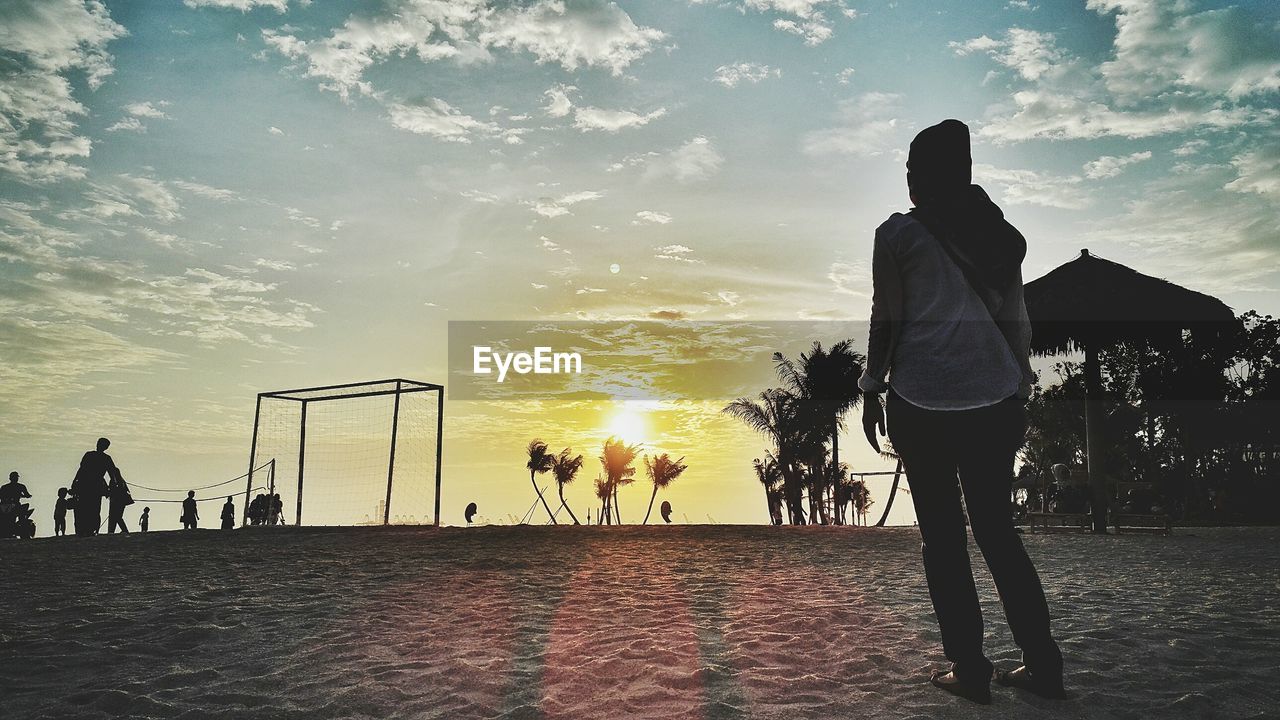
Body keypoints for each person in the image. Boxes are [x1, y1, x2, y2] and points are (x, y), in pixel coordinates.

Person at [860, 120, 1064, 703]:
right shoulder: (998, 237)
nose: (906, 181)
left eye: (910, 170)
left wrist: (873, 385)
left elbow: (887, 319)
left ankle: (970, 670)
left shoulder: (897, 235)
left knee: (944, 542)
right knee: (999, 534)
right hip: (993, 400)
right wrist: (1018, 385)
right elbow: (1016, 321)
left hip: (921, 402)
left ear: (924, 176)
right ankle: (1042, 666)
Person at [70, 438, 117, 536]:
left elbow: (81, 470)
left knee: (87, 507)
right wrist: (112, 485)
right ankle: (91, 529)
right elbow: (112, 474)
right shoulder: (105, 458)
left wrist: (75, 482)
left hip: (87, 484)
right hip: (94, 484)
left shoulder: (90, 455)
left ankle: (88, 529)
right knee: (93, 508)